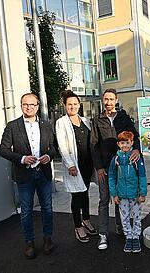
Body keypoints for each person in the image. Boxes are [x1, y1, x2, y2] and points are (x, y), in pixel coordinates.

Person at [0, 93, 55, 259]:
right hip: (24, 175)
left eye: (32, 104)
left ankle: (48, 239)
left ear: (37, 106)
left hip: (43, 173)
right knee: (26, 211)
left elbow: (52, 147)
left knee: (47, 208)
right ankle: (29, 242)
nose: (29, 107)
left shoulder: (46, 124)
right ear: (21, 106)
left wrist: (49, 156)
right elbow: (3, 150)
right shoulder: (12, 126)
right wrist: (22, 158)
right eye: (25, 104)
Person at [90, 88, 141, 250]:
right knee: (104, 200)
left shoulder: (123, 117)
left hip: (123, 166)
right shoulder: (97, 120)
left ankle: (122, 228)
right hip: (105, 168)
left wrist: (136, 150)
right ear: (103, 101)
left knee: (122, 199)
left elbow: (135, 136)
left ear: (116, 100)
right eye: (106, 99)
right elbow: (94, 145)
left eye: (111, 99)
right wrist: (98, 167)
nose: (109, 102)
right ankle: (103, 234)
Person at [55, 91, 97, 243]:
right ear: (65, 106)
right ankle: (78, 226)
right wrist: (70, 164)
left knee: (85, 193)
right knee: (76, 195)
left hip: (87, 164)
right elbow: (62, 145)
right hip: (75, 165)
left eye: (75, 104)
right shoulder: (62, 122)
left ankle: (86, 220)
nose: (72, 106)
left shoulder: (85, 120)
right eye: (69, 104)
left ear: (79, 105)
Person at [108, 131, 147, 253]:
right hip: (122, 196)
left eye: (127, 142)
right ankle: (128, 237)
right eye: (122, 143)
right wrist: (114, 194)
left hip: (135, 195)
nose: (125, 145)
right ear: (118, 144)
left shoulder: (136, 159)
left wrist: (142, 193)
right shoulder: (115, 159)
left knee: (136, 217)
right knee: (124, 218)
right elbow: (111, 176)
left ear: (132, 143)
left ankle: (136, 237)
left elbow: (142, 176)